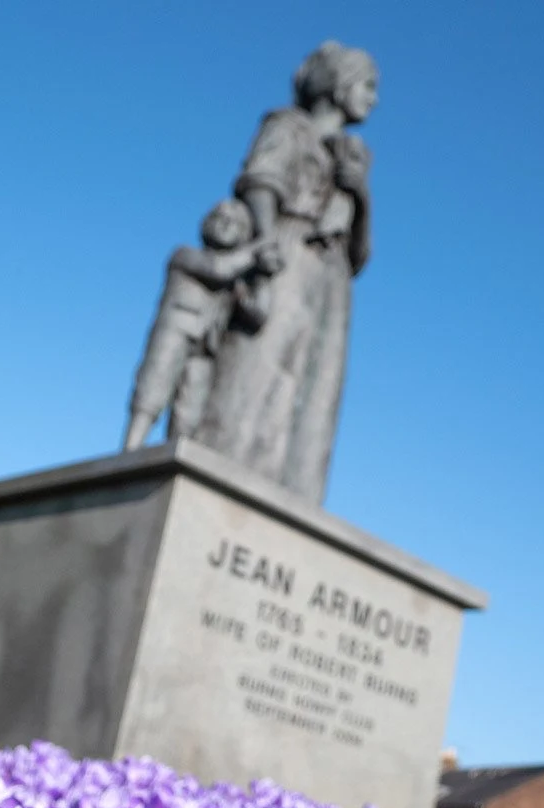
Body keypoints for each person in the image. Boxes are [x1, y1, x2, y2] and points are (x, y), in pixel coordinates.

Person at [193, 41, 377, 503]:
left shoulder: (355, 158)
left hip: (333, 278)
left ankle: (296, 500)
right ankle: (221, 479)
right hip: (288, 247)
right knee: (259, 368)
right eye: (367, 86)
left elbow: (360, 255)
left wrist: (361, 194)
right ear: (338, 84)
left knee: (317, 394)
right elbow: (261, 181)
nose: (374, 99)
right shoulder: (287, 126)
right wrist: (266, 244)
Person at [123, 199, 273, 450]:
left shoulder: (236, 281)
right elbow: (218, 269)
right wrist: (259, 249)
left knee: (189, 410)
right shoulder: (185, 255)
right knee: (152, 390)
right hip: (176, 330)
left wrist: (264, 277)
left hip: (206, 347)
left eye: (234, 223)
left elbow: (257, 314)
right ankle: (130, 450)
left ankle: (174, 458)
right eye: (219, 218)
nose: (225, 225)